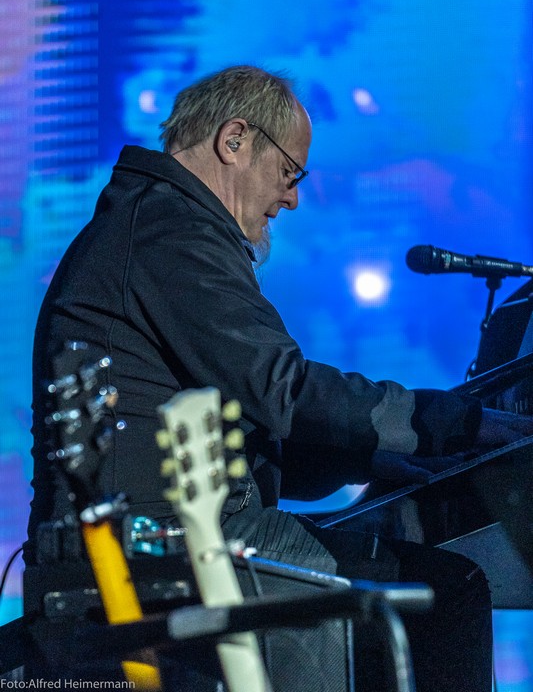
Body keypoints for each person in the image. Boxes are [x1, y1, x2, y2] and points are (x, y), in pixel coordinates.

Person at [27, 65, 531, 690]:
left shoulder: (155, 223)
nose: (291, 199)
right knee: (446, 591)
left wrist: (375, 461)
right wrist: (459, 422)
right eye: (290, 173)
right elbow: (283, 388)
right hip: (159, 553)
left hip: (168, 539)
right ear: (234, 140)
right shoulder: (169, 231)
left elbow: (247, 436)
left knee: (416, 579)